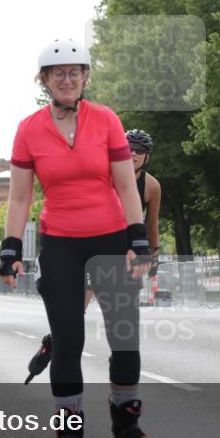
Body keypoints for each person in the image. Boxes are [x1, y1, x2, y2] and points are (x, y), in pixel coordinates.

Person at [0, 38, 166, 438]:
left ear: (85, 77)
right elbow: (19, 196)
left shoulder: (107, 120)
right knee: (68, 340)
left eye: (75, 72)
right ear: (45, 81)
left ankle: (127, 429)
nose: (67, 79)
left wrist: (137, 240)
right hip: (61, 241)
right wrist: (11, 247)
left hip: (110, 236)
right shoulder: (29, 129)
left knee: (124, 336)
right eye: (58, 74)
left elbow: (127, 187)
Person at [85, 129, 162, 311]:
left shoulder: (152, 186)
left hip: (128, 246)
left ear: (147, 157)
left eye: (140, 150)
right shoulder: (104, 175)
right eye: (129, 148)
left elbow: (152, 222)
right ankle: (60, 335)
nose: (134, 153)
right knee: (85, 293)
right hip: (97, 240)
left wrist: (154, 253)